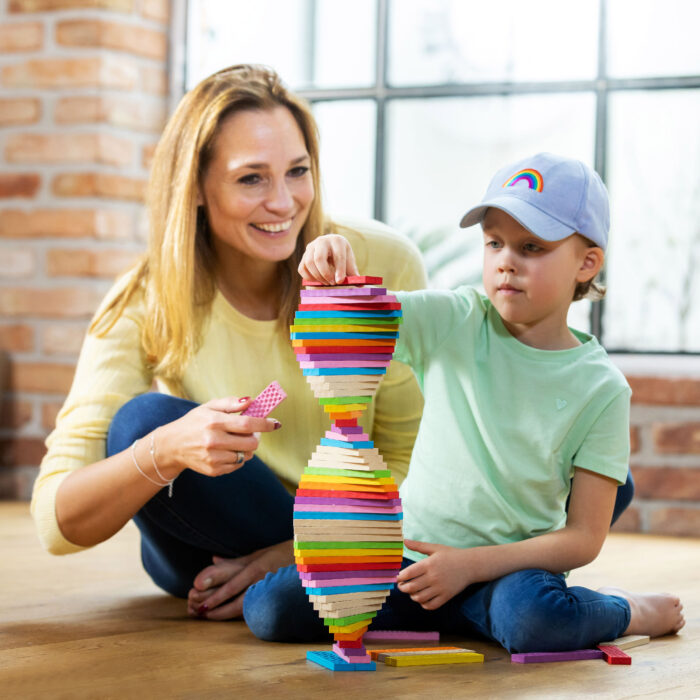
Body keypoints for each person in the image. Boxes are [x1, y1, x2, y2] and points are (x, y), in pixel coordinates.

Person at [31, 64, 428, 621]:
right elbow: (56, 522)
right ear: (195, 187)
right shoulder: (147, 297)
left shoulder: (382, 263)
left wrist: (292, 550)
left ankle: (292, 582)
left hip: (349, 519)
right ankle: (295, 588)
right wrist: (167, 448)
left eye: (297, 172)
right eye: (251, 179)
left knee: (287, 596)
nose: (285, 203)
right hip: (206, 547)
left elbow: (422, 458)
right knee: (143, 423)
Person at [242, 152, 684, 651]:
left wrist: (470, 565)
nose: (505, 261)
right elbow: (358, 313)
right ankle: (460, 623)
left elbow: (583, 538)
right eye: (493, 242)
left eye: (531, 246)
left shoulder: (602, 388)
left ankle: (625, 609)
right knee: (270, 609)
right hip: (408, 565)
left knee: (533, 621)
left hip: (504, 576)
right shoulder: (455, 319)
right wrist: (330, 259)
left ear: (587, 262)